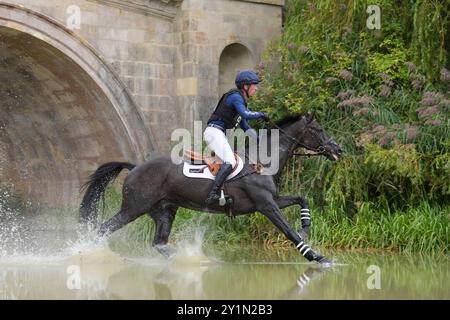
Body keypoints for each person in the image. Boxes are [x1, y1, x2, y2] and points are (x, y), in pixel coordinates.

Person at [203, 69, 269, 204]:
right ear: (245, 86)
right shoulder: (235, 97)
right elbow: (246, 114)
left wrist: (260, 141)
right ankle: (212, 195)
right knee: (231, 161)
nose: (256, 88)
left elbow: (246, 127)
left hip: (219, 135)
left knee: (236, 161)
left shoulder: (241, 102)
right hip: (214, 132)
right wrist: (261, 114)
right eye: (254, 85)